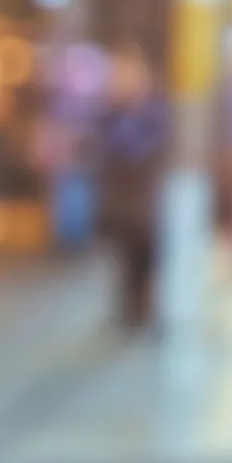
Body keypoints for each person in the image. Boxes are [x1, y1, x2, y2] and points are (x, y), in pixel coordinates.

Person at [94, 44, 173, 331]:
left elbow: (144, 149)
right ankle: (131, 308)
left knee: (148, 256)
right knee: (126, 256)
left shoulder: (153, 110)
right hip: (122, 200)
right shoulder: (111, 111)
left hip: (146, 199)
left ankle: (145, 306)